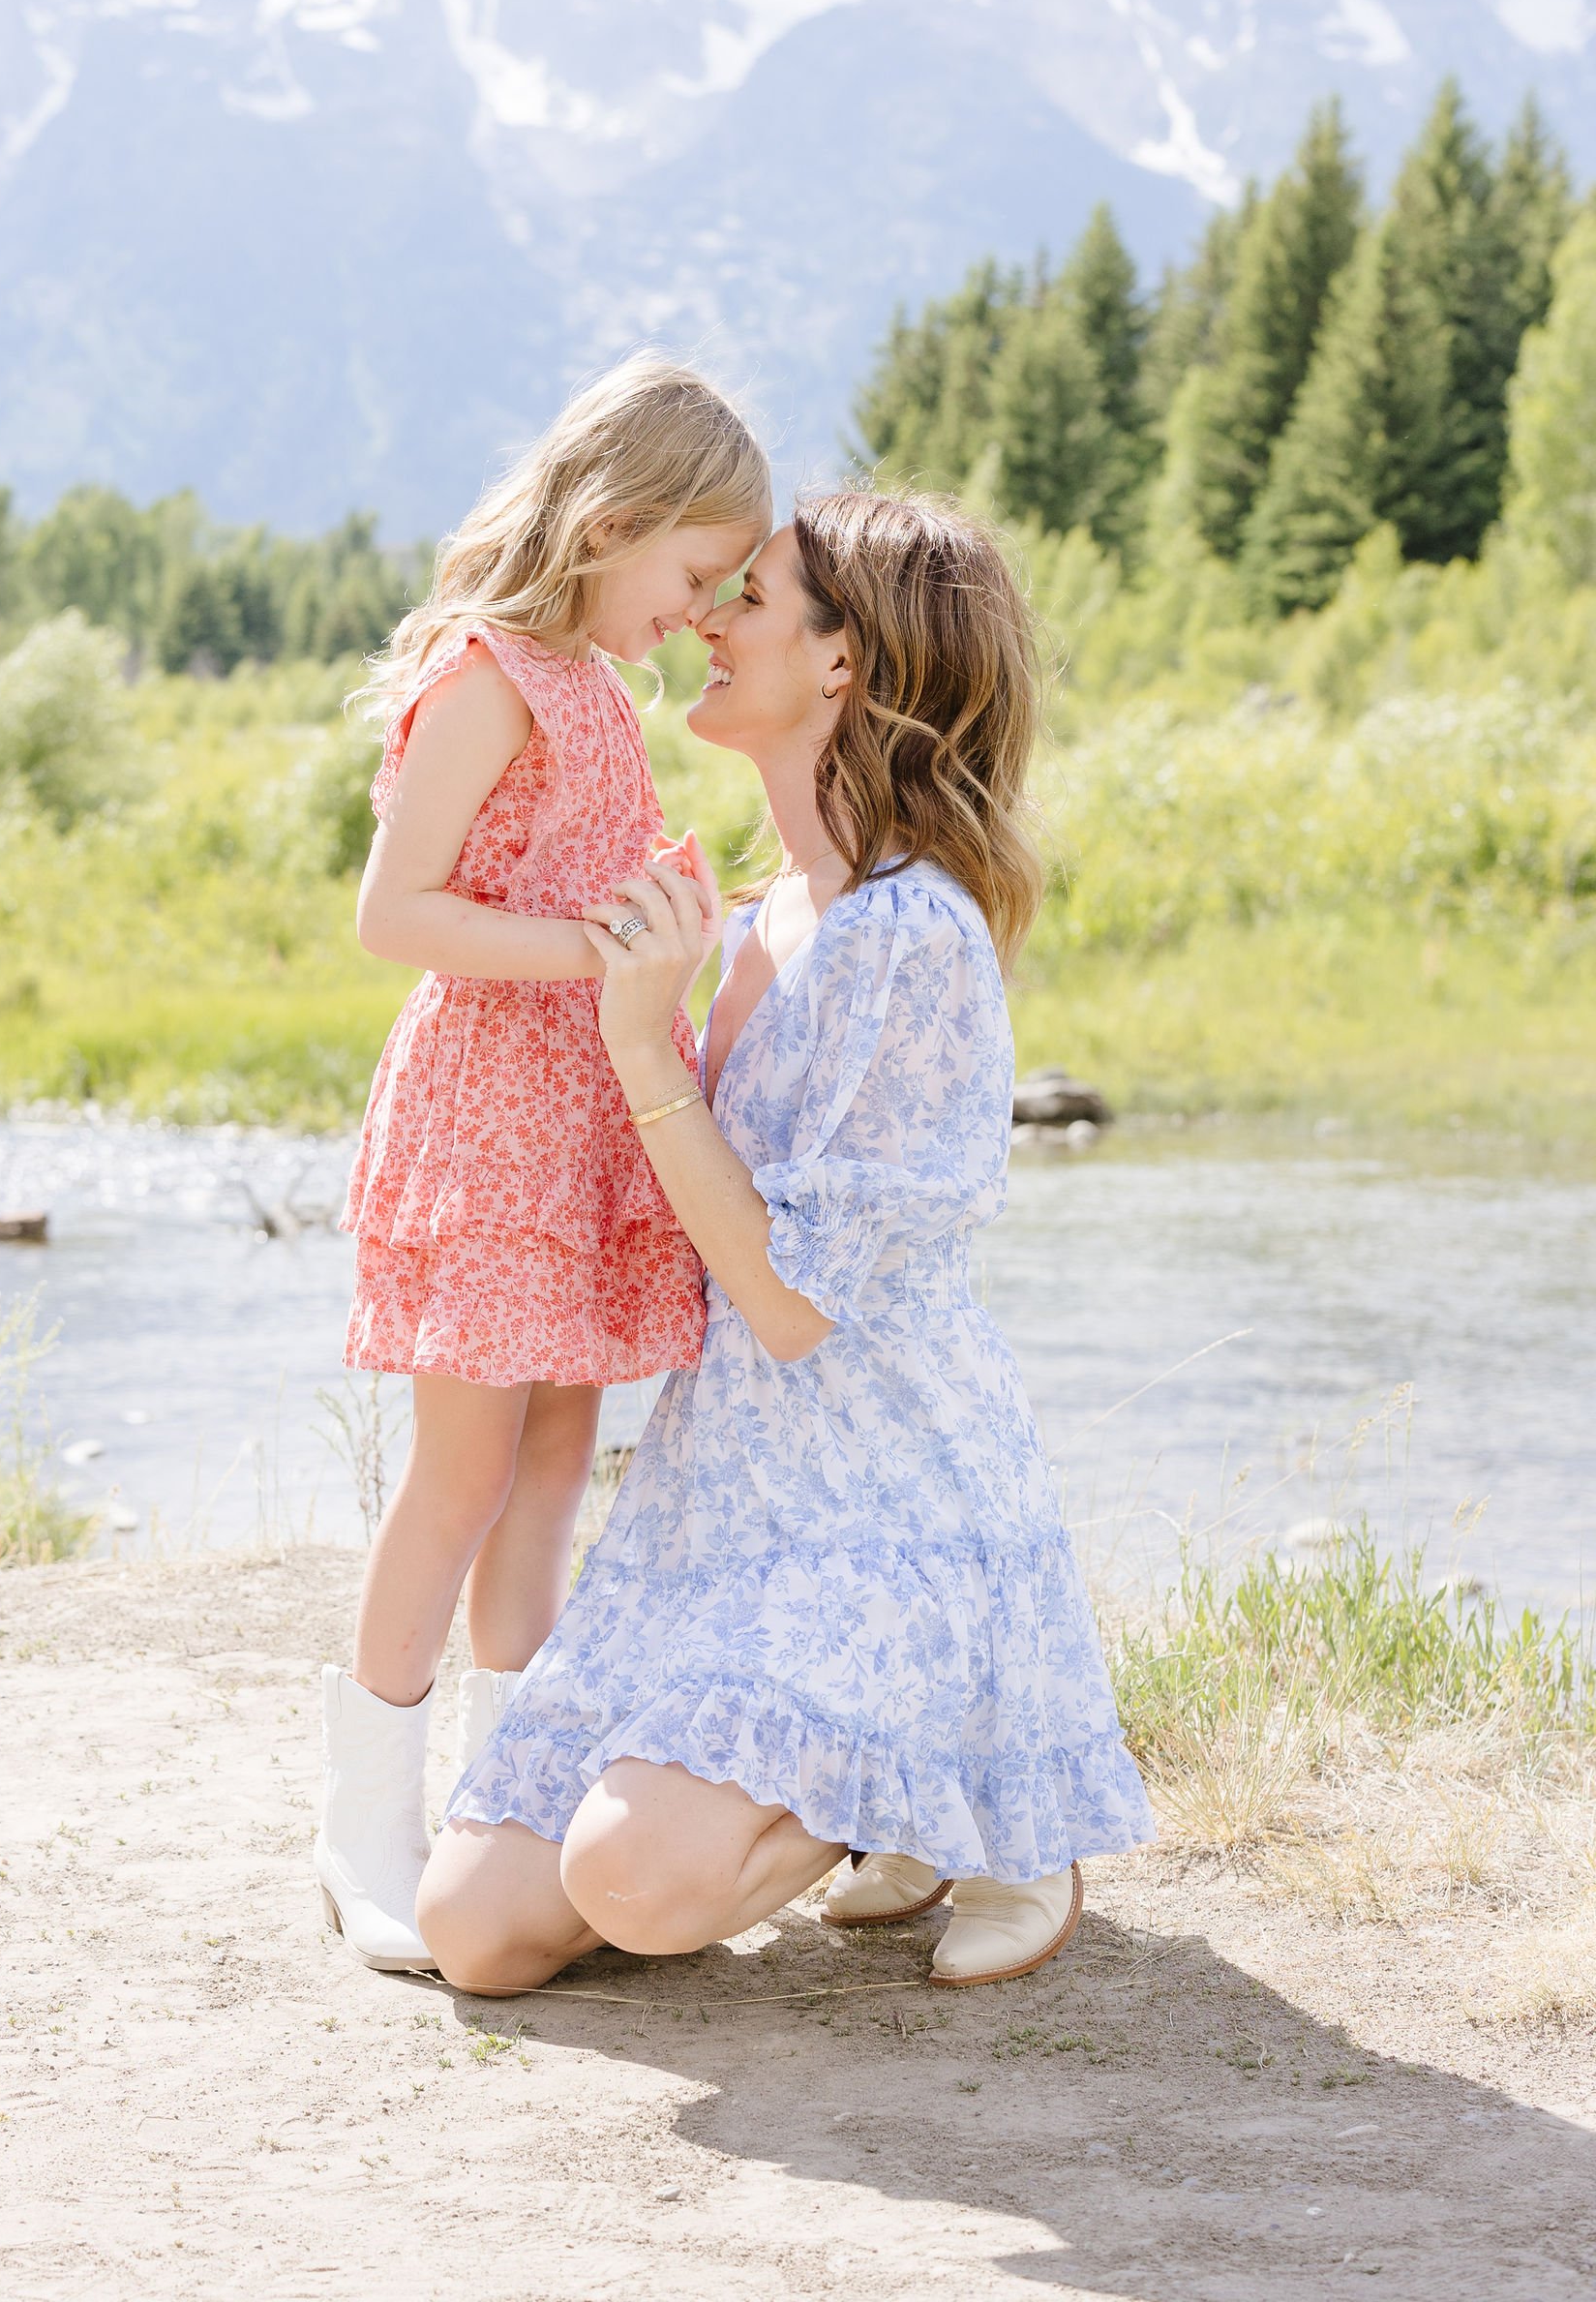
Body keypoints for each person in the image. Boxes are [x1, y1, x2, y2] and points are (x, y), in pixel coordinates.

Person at [419, 489, 1155, 1994]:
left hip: (887, 1510)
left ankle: (965, 1793)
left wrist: (643, 1047)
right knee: (475, 1932)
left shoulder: (913, 937)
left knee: (632, 1875)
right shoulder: (752, 924)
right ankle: (888, 1797)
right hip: (720, 1505)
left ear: (843, 666)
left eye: (748, 597)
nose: (705, 619)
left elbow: (789, 1302)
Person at [315, 356, 772, 1971]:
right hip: (495, 1116)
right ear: (615, 519)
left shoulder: (597, 686)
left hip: (583, 1112)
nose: (701, 612)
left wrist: (663, 930)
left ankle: (503, 1808)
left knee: (558, 1474)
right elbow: (397, 915)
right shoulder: (490, 670)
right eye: (693, 576)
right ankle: (362, 1831)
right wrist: (595, 942)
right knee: (461, 1478)